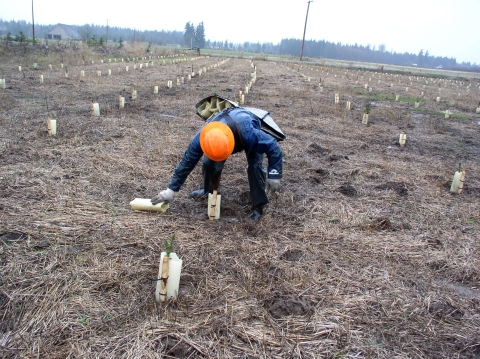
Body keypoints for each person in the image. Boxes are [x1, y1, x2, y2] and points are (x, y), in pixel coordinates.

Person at [151, 104, 283, 221]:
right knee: (209, 163)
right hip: (226, 129)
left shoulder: (249, 134)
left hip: (245, 123)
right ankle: (208, 191)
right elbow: (186, 162)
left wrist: (274, 173)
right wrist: (171, 190)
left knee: (255, 166)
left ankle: (258, 207)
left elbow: (273, 146)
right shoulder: (202, 138)